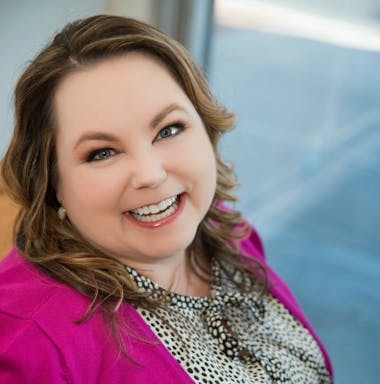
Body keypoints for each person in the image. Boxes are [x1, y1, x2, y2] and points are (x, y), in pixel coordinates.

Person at [0, 15, 333, 383]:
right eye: (102, 153)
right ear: (52, 181)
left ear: (204, 127)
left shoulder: (224, 229)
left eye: (169, 129)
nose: (151, 175)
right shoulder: (27, 342)